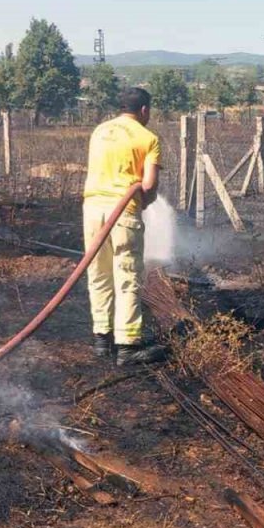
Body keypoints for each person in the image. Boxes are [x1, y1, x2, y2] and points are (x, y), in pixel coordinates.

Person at [82, 87, 167, 366]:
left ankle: (100, 340)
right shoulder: (149, 138)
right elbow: (149, 185)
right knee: (127, 275)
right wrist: (146, 201)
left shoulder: (100, 131)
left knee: (98, 273)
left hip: (92, 210)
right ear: (144, 110)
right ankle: (128, 347)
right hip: (124, 212)